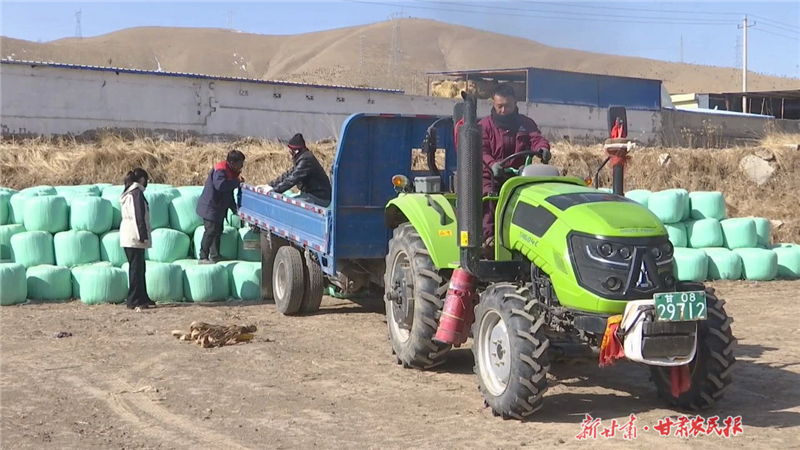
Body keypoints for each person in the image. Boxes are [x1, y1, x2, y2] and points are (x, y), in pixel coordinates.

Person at [479, 83, 551, 255]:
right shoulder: (485, 126)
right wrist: (492, 164)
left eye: (507, 106)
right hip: (491, 175)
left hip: (518, 176)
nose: (503, 110)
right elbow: (482, 151)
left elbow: (536, 139)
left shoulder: (526, 124)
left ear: (515, 103)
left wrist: (543, 149)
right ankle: (489, 238)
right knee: (490, 195)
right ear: (493, 104)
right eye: (499, 106)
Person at [196, 149, 245, 264]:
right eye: (240, 163)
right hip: (210, 207)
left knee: (218, 230)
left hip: (218, 208)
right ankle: (203, 257)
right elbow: (220, 186)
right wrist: (236, 182)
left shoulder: (231, 172)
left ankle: (215, 255)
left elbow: (228, 193)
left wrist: (235, 209)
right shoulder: (220, 169)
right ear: (232, 163)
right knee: (211, 230)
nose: (242, 166)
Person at [120, 168, 155, 310]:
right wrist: (143, 236)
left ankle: (142, 297)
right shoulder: (136, 194)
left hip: (130, 235)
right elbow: (138, 215)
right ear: (141, 179)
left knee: (140, 268)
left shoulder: (129, 192)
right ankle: (133, 300)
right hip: (134, 235)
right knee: (136, 269)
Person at [265, 133, 332, 207]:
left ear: (296, 151)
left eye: (291, 151)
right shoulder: (302, 158)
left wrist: (274, 191)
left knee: (291, 206)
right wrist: (269, 185)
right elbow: (288, 174)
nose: (289, 153)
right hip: (310, 195)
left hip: (319, 198)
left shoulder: (306, 160)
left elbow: (292, 179)